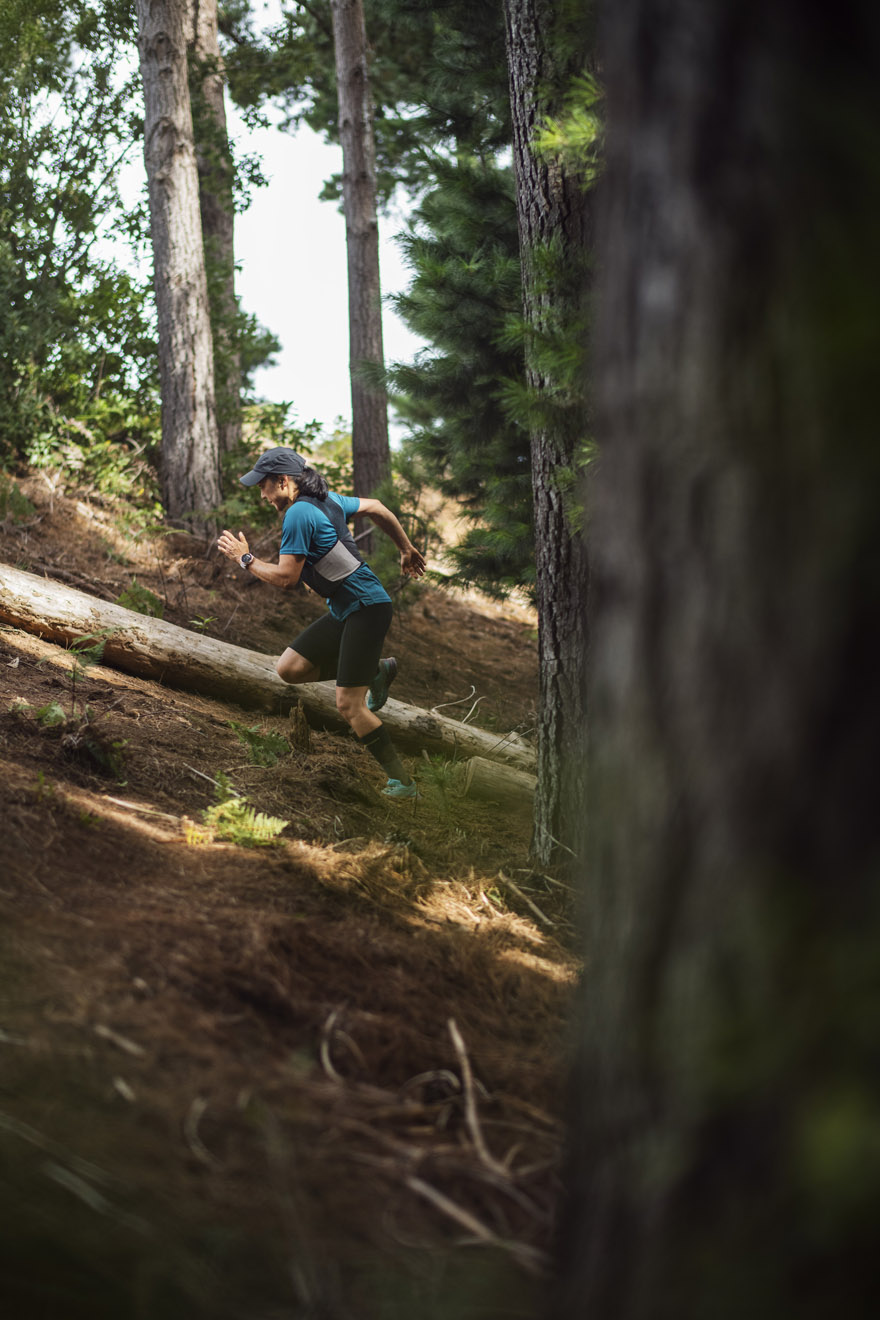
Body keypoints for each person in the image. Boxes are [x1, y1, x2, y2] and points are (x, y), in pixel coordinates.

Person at [216, 447, 426, 798]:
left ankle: (404, 784)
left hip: (366, 608)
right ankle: (374, 671)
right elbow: (376, 506)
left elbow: (287, 578)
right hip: (350, 608)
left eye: (263, 486)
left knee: (349, 705)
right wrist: (405, 548)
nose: (262, 495)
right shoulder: (328, 500)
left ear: (283, 481)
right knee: (290, 668)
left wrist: (246, 559)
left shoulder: (298, 514)